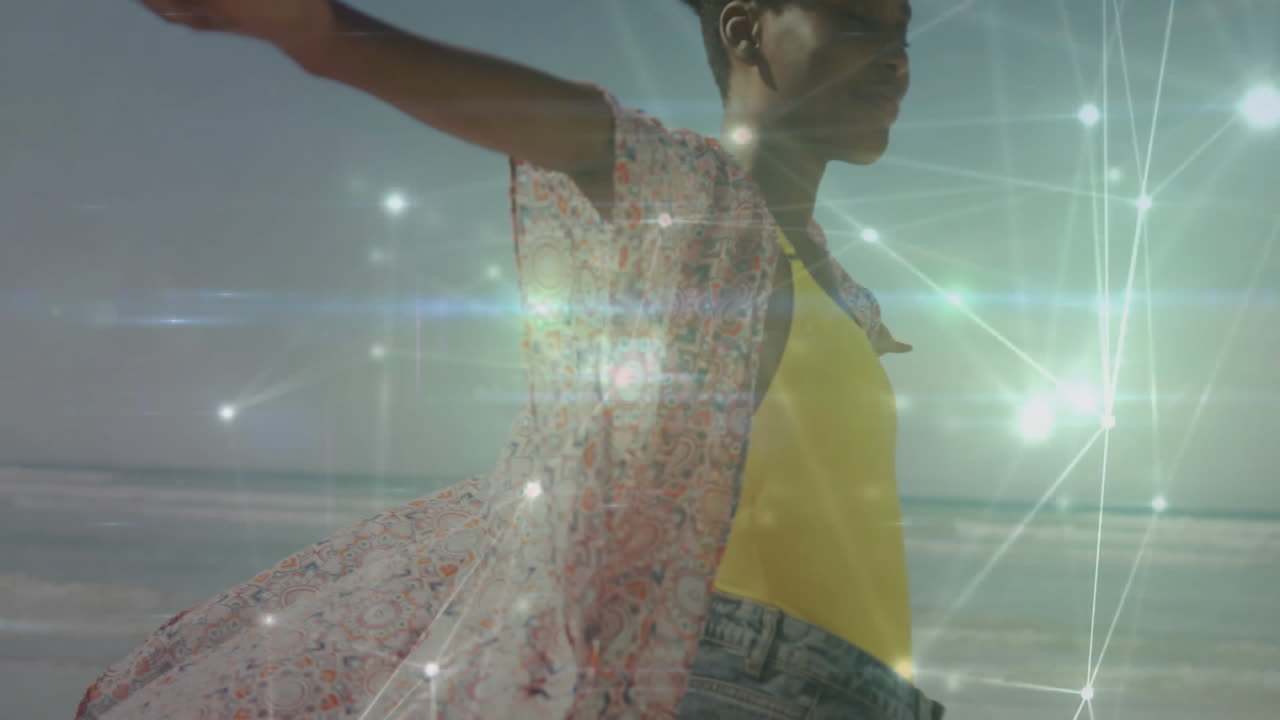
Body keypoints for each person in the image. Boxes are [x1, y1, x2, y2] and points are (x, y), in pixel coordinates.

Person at [78, 0, 943, 717]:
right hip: (744, 682)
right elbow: (578, 134)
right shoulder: (702, 213)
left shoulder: (823, 277)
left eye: (903, 33)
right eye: (860, 22)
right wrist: (323, 33)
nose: (897, 59)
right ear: (746, 29)